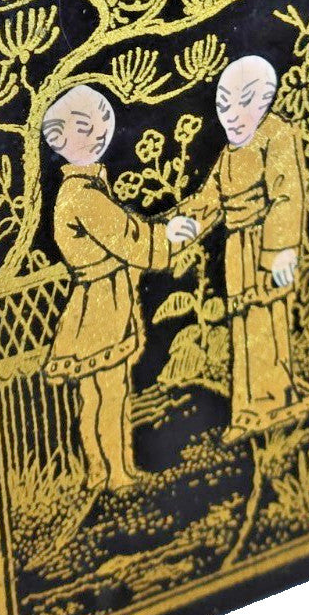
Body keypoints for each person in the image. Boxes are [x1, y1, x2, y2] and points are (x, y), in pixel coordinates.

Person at [42, 84, 197, 490]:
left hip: (100, 298)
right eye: (83, 127)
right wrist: (169, 236)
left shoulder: (87, 187)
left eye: (102, 123)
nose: (96, 133)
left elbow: (125, 233)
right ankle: (113, 472)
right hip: (100, 304)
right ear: (57, 138)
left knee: (98, 393)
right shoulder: (82, 195)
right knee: (108, 391)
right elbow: (129, 238)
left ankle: (104, 471)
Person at [181, 56, 309, 443]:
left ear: (266, 99)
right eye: (224, 105)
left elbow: (288, 194)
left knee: (270, 317)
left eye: (245, 102)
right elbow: (210, 198)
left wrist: (282, 250)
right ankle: (249, 404)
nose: (232, 115)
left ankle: (277, 395)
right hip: (238, 250)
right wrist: (186, 224)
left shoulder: (277, 134)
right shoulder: (229, 153)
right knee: (245, 322)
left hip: (266, 244)